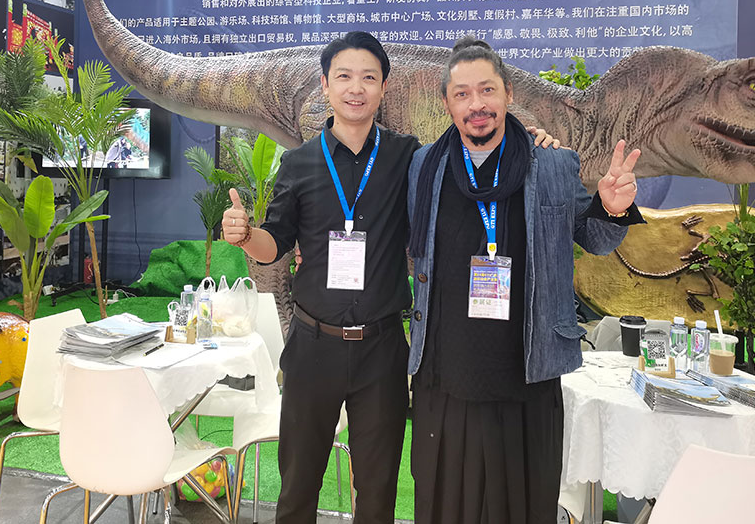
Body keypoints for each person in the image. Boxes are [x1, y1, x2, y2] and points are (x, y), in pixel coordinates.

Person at [222, 32, 558, 524]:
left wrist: (528, 140)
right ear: (325, 85)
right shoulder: (299, 162)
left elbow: (475, 156)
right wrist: (247, 236)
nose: (356, 88)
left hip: (382, 349)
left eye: (368, 78)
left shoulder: (410, 159)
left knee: (378, 493)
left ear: (384, 87)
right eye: (344, 77)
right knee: (297, 488)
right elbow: (276, 242)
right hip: (313, 346)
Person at [406, 37, 645, 524]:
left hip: (526, 372)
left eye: (487, 90)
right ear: (447, 103)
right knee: (444, 506)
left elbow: (595, 239)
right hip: (444, 373)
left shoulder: (551, 163)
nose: (476, 104)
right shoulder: (423, 166)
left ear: (508, 93)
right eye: (462, 94)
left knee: (522, 506)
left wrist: (613, 209)